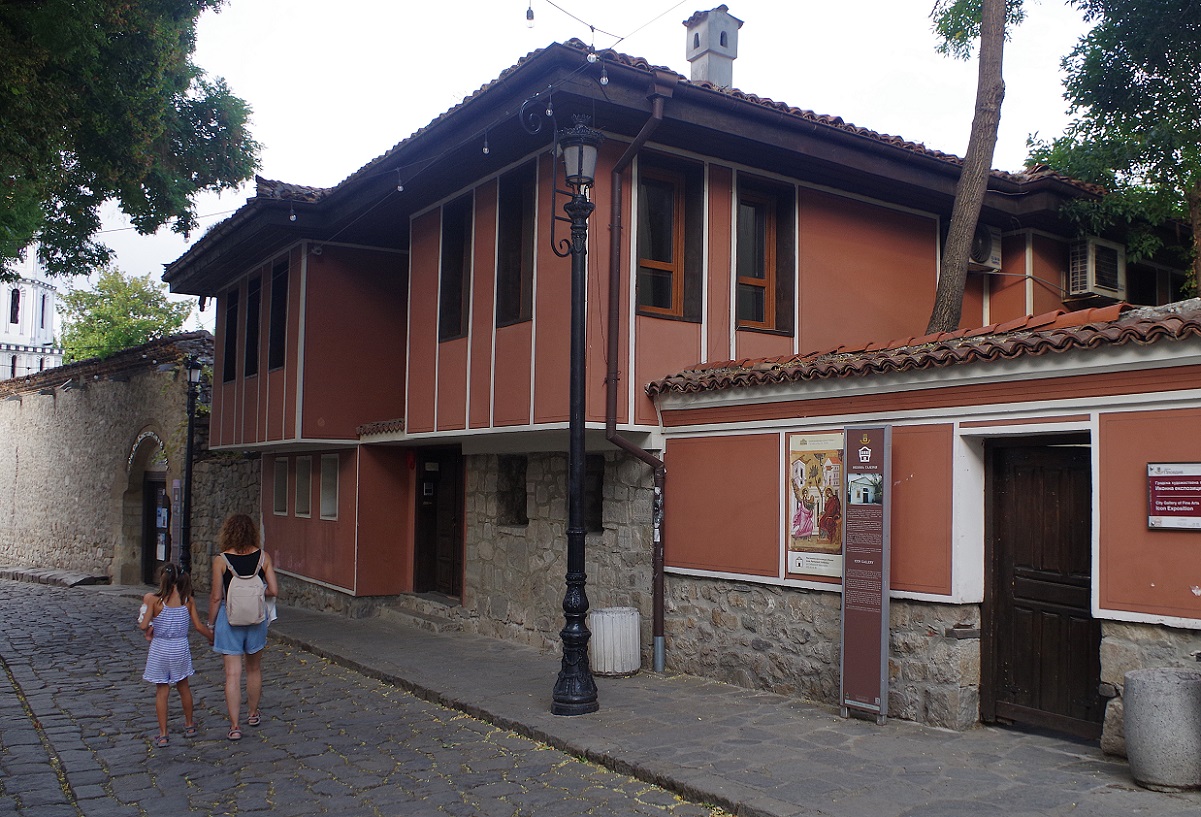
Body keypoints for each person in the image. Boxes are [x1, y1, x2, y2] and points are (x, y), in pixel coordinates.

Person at [208, 513, 278, 741]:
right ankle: (253, 713)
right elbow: (274, 591)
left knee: (232, 673)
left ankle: (235, 726)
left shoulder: (221, 560)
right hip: (256, 620)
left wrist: (210, 623)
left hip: (229, 620)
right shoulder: (263, 557)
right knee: (254, 669)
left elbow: (216, 597)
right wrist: (256, 592)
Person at [138, 562, 213, 748]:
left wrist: (152, 626)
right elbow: (198, 626)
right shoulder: (187, 600)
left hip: (160, 648)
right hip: (180, 647)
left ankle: (163, 734)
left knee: (162, 691)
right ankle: (189, 725)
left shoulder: (154, 601)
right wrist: (212, 637)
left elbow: (143, 625)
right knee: (184, 687)